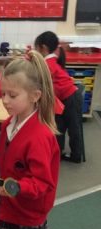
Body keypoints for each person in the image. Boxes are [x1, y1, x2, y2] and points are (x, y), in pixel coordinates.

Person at [0, 50, 60, 229]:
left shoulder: (39, 136)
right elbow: (9, 153)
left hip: (25, 216)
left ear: (35, 96)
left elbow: (42, 183)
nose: (5, 100)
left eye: (12, 95)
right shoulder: (8, 125)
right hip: (7, 207)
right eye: (3, 93)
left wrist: (14, 186)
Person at [35, 31, 83, 163]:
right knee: (59, 126)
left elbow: (44, 81)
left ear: (43, 48)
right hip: (63, 98)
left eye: (36, 48)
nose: (36, 51)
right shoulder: (51, 60)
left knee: (73, 128)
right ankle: (58, 151)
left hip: (71, 97)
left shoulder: (48, 63)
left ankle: (76, 156)